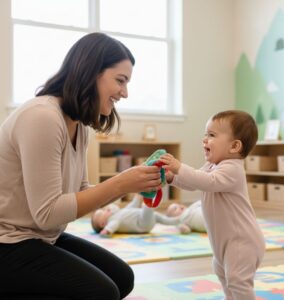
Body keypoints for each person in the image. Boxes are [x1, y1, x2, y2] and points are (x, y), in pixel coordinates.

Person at [0, 32, 162, 300]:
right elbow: (49, 213)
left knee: (122, 278)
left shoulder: (80, 124)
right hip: (7, 243)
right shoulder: (41, 117)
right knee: (101, 292)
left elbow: (82, 191)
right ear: (91, 72)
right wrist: (122, 182)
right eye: (120, 81)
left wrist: (134, 184)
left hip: (39, 237)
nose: (125, 92)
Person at [160, 110, 265, 300]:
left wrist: (179, 167)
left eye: (212, 135)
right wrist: (172, 177)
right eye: (205, 134)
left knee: (237, 281)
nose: (204, 140)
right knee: (222, 273)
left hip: (242, 240)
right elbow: (193, 182)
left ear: (234, 146)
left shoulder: (233, 169)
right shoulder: (211, 166)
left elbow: (208, 181)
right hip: (222, 241)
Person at [91, 194, 181, 235]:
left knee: (163, 218)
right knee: (146, 206)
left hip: (143, 217)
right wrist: (107, 230)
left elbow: (131, 208)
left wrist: (137, 199)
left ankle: (179, 221)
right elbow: (113, 225)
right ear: (103, 223)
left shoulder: (119, 213)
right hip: (142, 223)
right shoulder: (113, 221)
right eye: (104, 212)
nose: (107, 210)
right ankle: (152, 200)